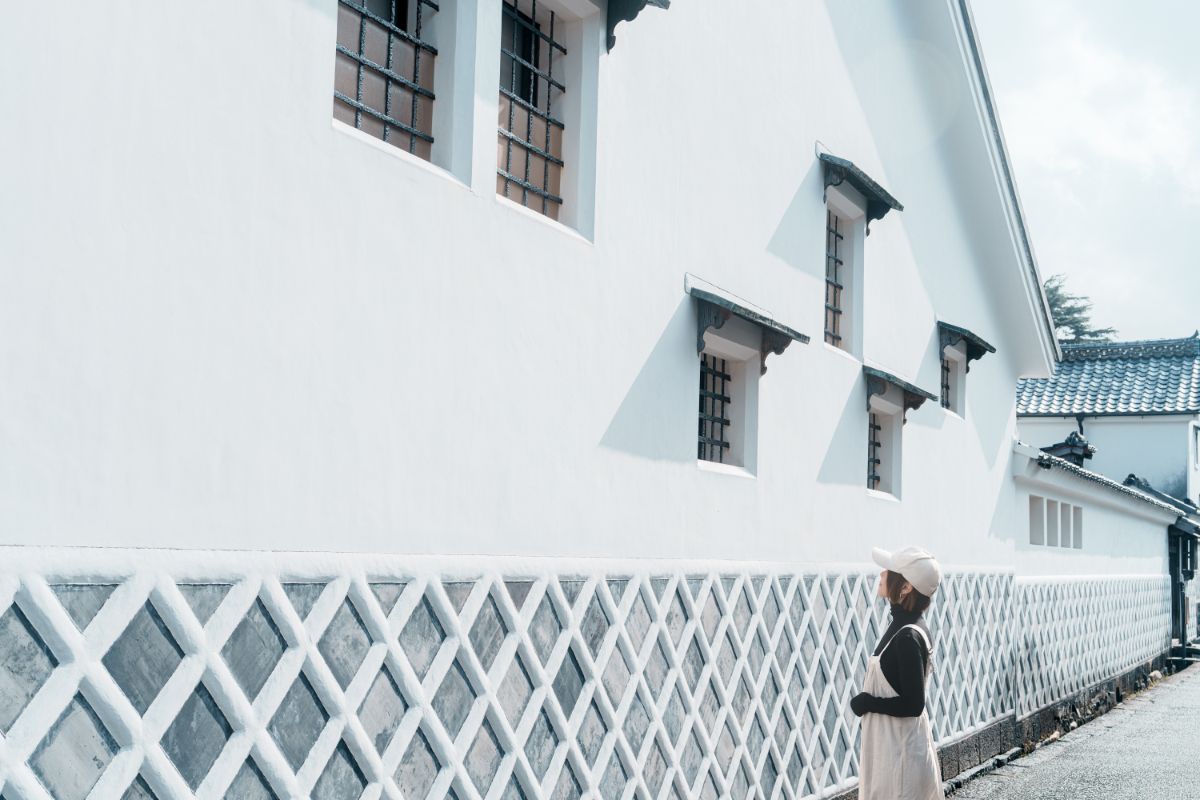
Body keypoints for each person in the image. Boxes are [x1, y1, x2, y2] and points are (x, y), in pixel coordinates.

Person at [849, 545, 944, 800]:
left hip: (899, 756)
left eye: (889, 571)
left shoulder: (907, 636)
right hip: (893, 748)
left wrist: (868, 702)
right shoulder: (906, 626)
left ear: (905, 587)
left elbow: (914, 704)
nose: (882, 574)